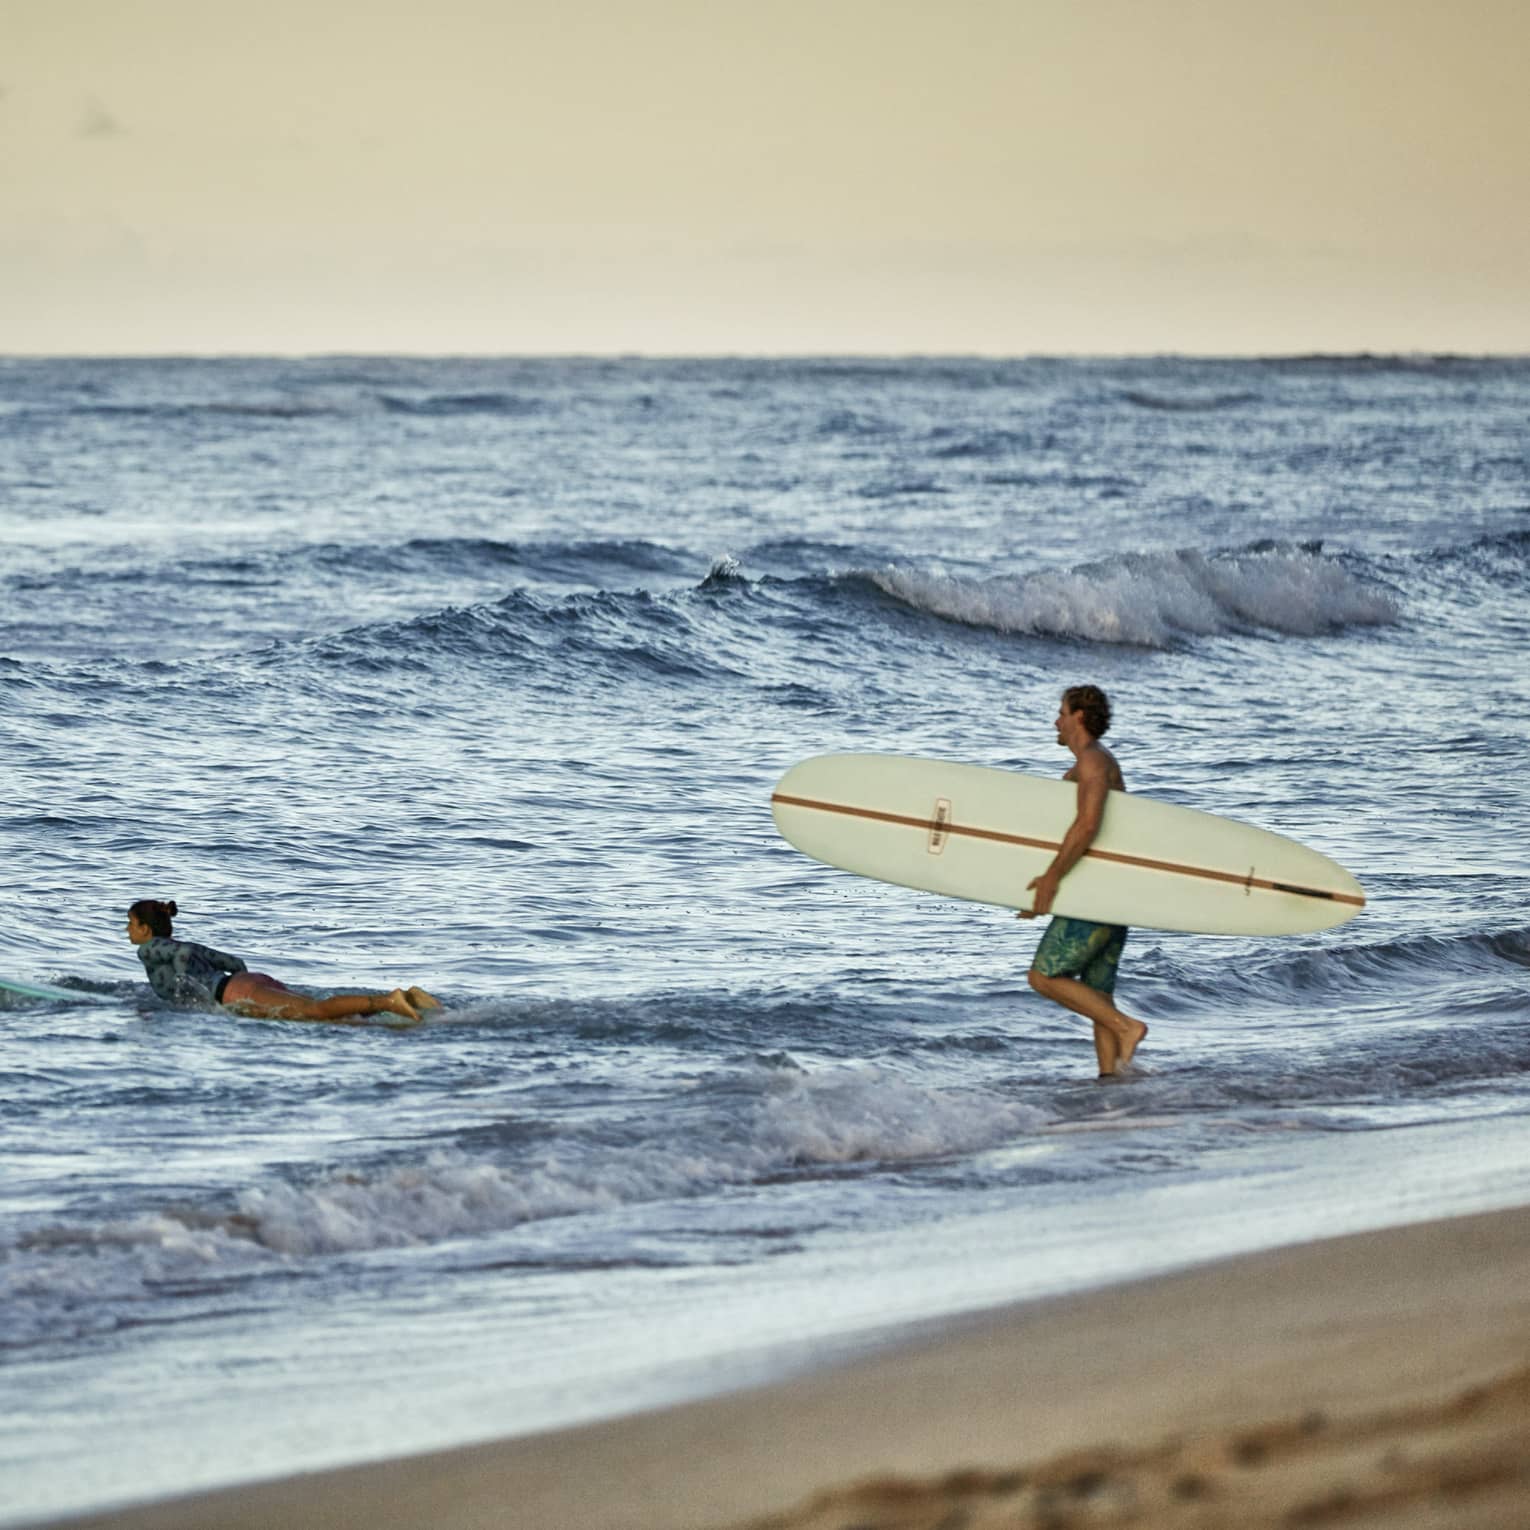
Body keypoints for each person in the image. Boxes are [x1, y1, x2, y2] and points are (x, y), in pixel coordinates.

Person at [1019, 686, 1149, 1077]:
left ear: (1078, 716)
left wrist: (1051, 879)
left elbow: (1088, 825)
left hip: (1098, 898)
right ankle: (1113, 1083)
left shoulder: (1093, 761)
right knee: (1099, 996)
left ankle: (1129, 1027)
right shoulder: (1091, 764)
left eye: (1060, 712)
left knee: (1042, 977)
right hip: (1112, 893)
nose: (1055, 721)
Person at [126, 899, 439, 1025]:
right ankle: (407, 999)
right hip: (245, 983)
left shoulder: (148, 949)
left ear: (145, 928)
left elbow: (180, 957)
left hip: (233, 992)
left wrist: (188, 989)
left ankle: (389, 999)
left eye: (130, 923)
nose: (128, 930)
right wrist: (239, 988)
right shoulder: (183, 944)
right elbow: (233, 961)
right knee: (325, 1014)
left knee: (316, 1012)